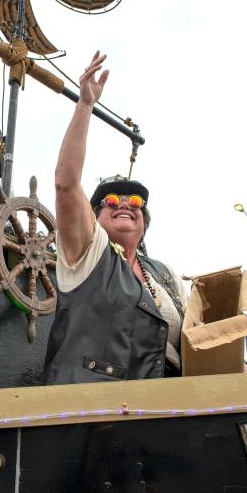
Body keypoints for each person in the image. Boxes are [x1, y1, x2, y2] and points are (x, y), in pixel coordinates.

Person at [43, 52, 186, 385]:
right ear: (93, 217)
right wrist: (85, 105)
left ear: (145, 219)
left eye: (134, 201)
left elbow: (199, 333)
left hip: (166, 403)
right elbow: (65, 183)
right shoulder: (88, 252)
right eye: (111, 201)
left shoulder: (164, 276)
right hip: (96, 401)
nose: (125, 205)